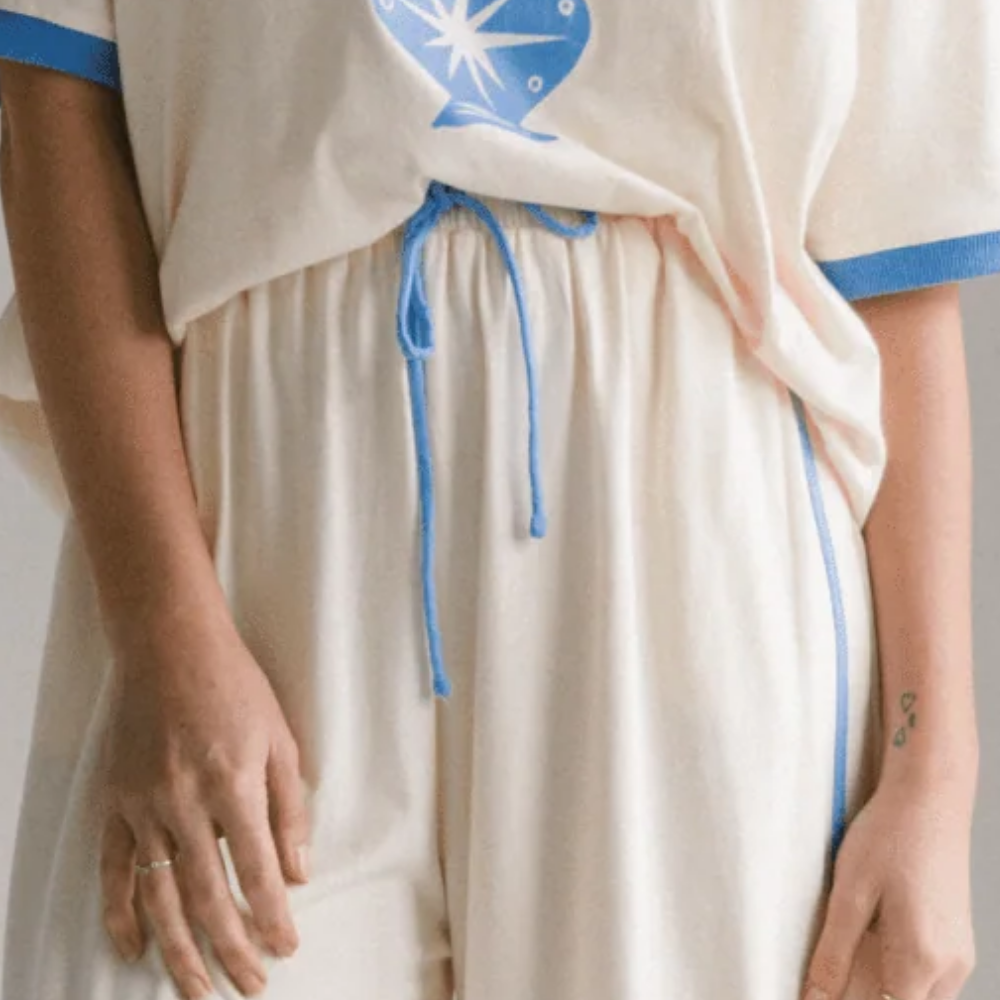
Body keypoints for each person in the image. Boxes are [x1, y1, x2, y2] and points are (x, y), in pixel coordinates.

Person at [0, 2, 992, 999]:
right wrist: (158, 618)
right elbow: (52, 106)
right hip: (250, 511)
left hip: (678, 502)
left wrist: (933, 771)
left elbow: (892, 232)